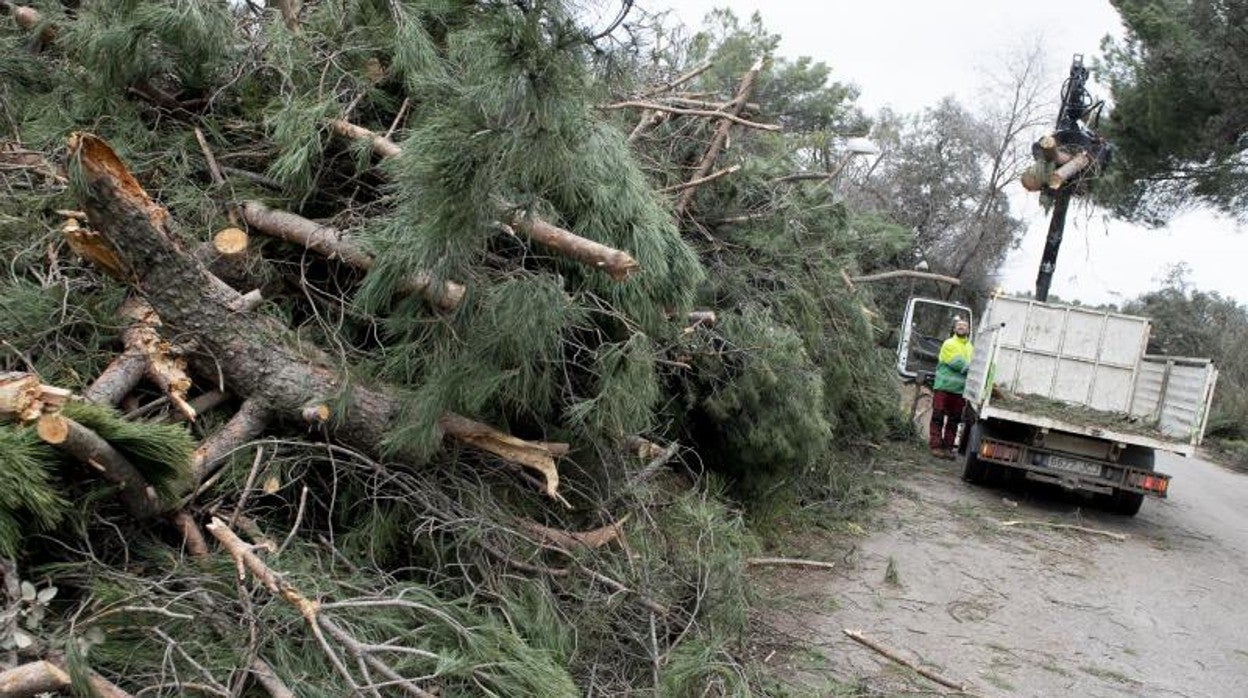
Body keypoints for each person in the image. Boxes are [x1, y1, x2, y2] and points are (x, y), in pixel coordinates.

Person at [929, 317, 972, 459]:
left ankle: (947, 448)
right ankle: (935, 446)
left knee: (954, 420)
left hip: (959, 391)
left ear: (968, 330)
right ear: (954, 329)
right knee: (938, 417)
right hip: (943, 388)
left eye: (964, 326)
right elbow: (956, 363)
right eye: (958, 326)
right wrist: (972, 368)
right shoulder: (949, 343)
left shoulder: (970, 348)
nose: (961, 328)